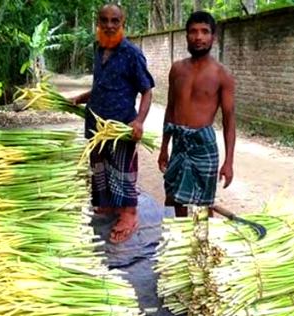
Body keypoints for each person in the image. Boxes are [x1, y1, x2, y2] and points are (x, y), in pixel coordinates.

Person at [73, 3, 154, 243]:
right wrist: (82, 98)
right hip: (95, 125)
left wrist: (139, 121)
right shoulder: (99, 49)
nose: (109, 25)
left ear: (122, 23)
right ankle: (106, 205)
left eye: (114, 21)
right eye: (104, 20)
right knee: (99, 167)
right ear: (98, 22)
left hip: (120, 127)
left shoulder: (131, 53)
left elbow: (147, 91)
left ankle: (129, 214)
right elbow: (102, 85)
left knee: (122, 170)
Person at [158, 11, 236, 217]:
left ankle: (203, 244)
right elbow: (170, 109)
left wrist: (229, 162)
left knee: (204, 203)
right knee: (173, 196)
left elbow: (229, 120)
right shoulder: (177, 69)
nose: (198, 37)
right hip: (179, 142)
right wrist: (164, 147)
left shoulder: (222, 75)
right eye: (193, 31)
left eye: (204, 32)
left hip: (203, 145)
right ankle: (179, 237)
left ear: (213, 37)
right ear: (186, 36)